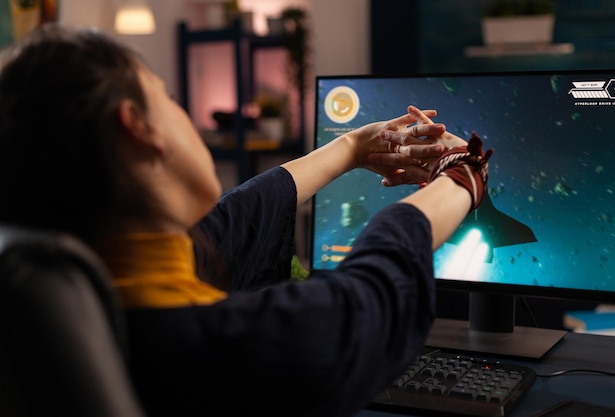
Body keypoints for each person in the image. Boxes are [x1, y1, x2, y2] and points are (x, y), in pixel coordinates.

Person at [0, 24, 492, 417]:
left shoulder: (90, 297)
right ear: (138, 127)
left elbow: (235, 222)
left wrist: (353, 148)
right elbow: (370, 295)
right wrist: (464, 177)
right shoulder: (214, 349)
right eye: (166, 97)